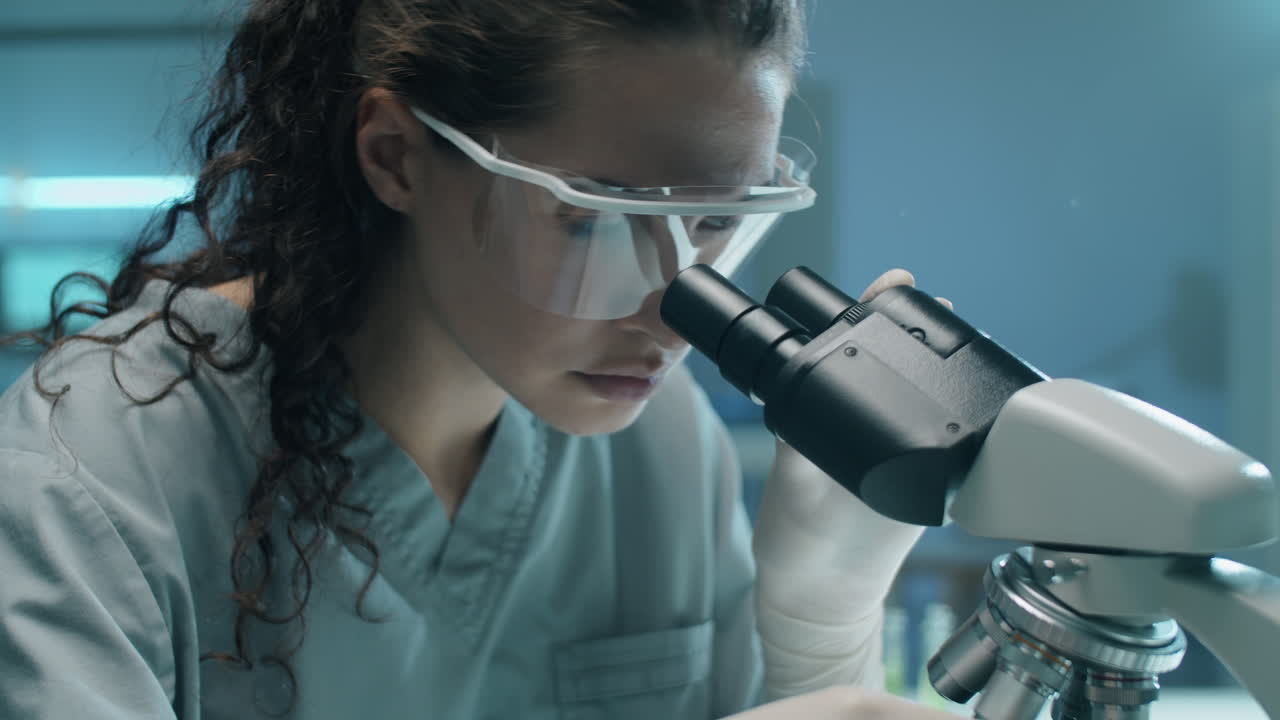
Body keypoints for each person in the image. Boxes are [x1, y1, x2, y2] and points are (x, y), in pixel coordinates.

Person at [0, 1, 957, 718]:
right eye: (597, 221)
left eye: (719, 222)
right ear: (397, 157)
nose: (675, 314)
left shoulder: (662, 446)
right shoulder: (89, 483)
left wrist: (817, 635)